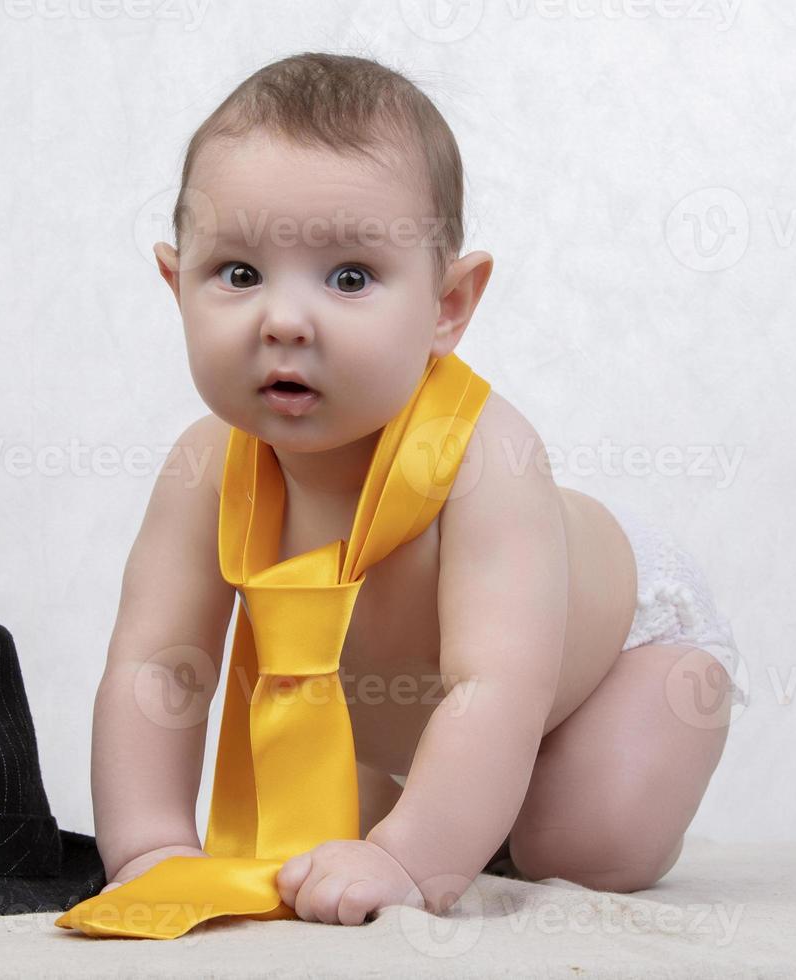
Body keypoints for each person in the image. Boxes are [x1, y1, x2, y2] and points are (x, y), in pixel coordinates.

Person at [87, 51, 747, 926]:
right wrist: (150, 847)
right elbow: (158, 667)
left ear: (448, 305)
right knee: (324, 835)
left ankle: (612, 746)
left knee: (581, 848)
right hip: (390, 694)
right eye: (238, 274)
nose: (283, 320)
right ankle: (451, 794)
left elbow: (493, 688)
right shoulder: (203, 467)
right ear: (178, 288)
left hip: (609, 660)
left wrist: (411, 861)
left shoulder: (485, 457)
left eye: (350, 277)